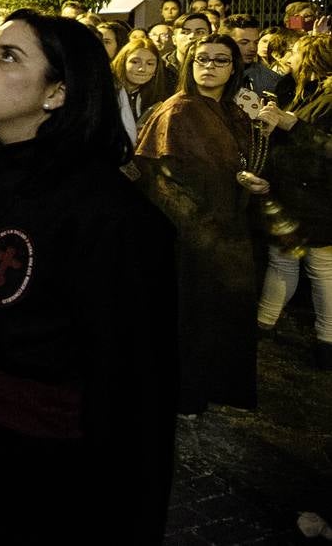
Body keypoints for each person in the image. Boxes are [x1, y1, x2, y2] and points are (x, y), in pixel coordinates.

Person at [0, 11, 177, 544]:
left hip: (59, 469)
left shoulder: (110, 214)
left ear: (58, 93)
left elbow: (134, 390)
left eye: (8, 56)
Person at [136, 34, 265, 416]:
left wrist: (256, 181)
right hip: (188, 236)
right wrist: (197, 229)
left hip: (227, 230)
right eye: (202, 59)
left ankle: (205, 389)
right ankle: (182, 394)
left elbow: (245, 161)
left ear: (233, 67)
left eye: (220, 60)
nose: (209, 66)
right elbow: (160, 179)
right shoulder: (178, 110)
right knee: (186, 320)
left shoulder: (232, 112)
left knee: (216, 319)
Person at [256, 33, 332, 369]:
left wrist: (293, 124)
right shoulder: (302, 89)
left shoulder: (328, 97)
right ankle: (263, 324)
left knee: (322, 271)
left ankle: (327, 341)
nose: (289, 56)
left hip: (319, 200)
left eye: (297, 52)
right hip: (291, 194)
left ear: (314, 57)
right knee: (282, 260)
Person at [111, 37, 170, 137]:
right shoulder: (105, 90)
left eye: (150, 63)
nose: (142, 69)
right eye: (134, 62)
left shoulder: (157, 96)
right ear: (122, 62)